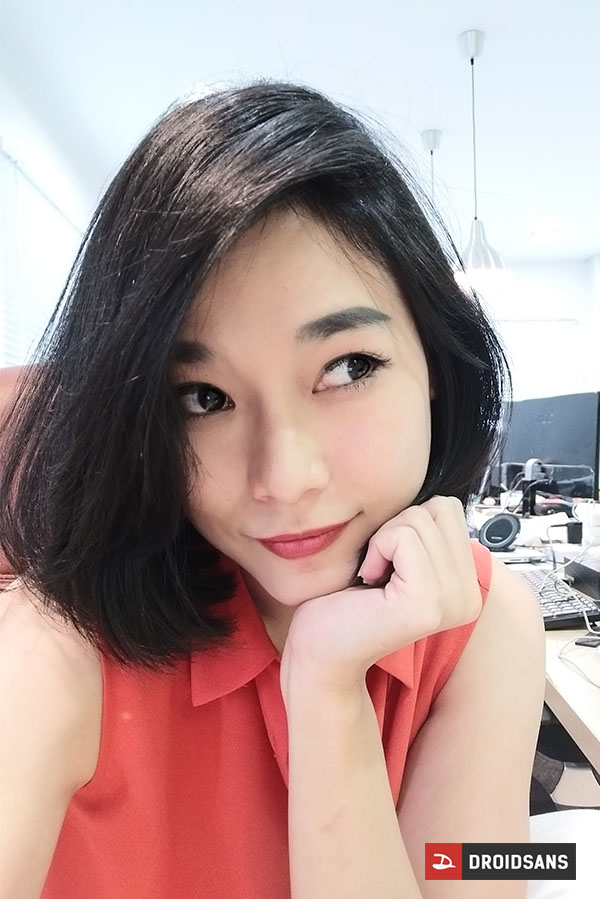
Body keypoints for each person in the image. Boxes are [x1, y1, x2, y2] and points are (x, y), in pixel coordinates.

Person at [0, 81, 547, 898]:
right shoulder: (56, 645)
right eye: (203, 397)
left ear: (434, 363)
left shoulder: (487, 620)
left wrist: (327, 695)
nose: (284, 478)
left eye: (347, 367)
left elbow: (472, 869)